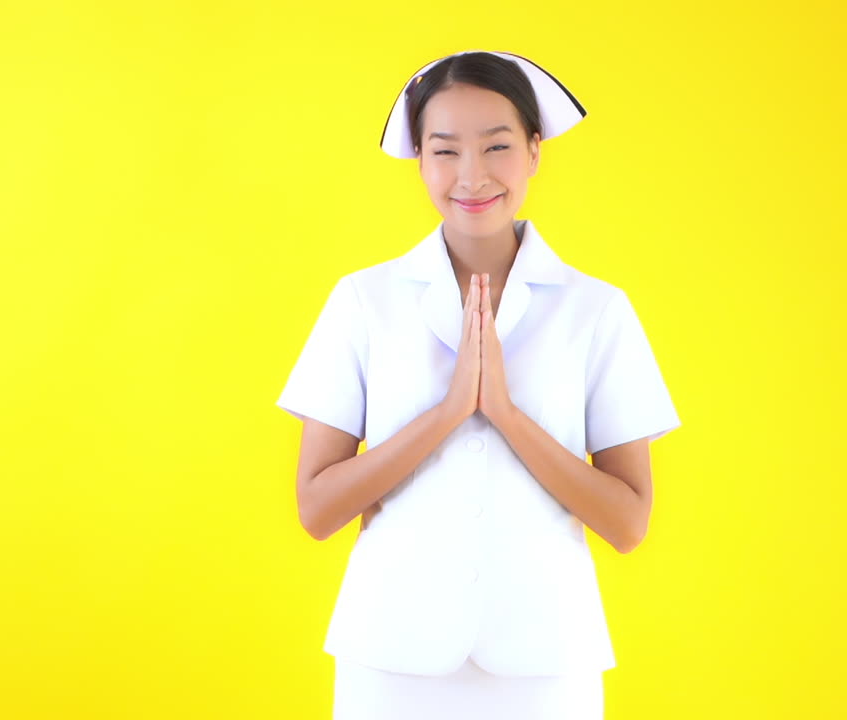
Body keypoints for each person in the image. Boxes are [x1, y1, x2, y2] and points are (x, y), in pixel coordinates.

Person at [275, 49, 681, 719]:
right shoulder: (363, 301)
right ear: (421, 160)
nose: (471, 176)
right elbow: (318, 509)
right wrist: (449, 410)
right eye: (444, 151)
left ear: (534, 150)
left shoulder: (596, 310)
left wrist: (506, 414)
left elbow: (628, 521)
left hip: (546, 663)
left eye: (496, 146)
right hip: (391, 659)